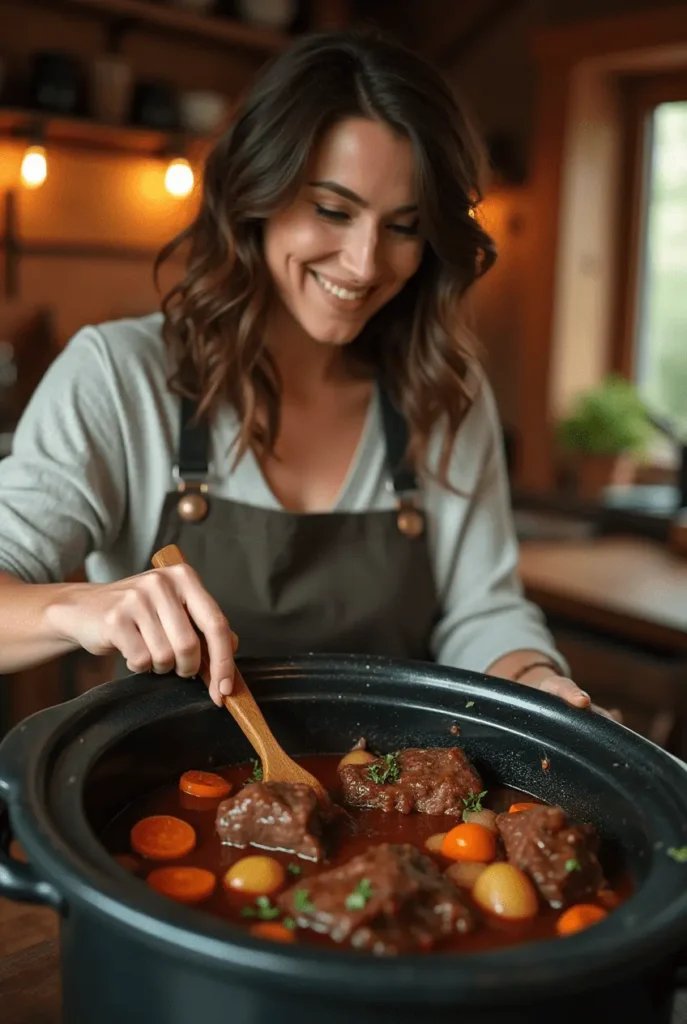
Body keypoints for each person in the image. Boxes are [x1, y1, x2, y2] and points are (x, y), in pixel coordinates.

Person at [0, 29, 597, 715]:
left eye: (403, 226)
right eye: (331, 210)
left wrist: (533, 683)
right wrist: (79, 606)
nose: (364, 262)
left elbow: (481, 611)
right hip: (156, 804)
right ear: (255, 192)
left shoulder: (445, 396)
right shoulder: (118, 375)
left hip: (389, 794)